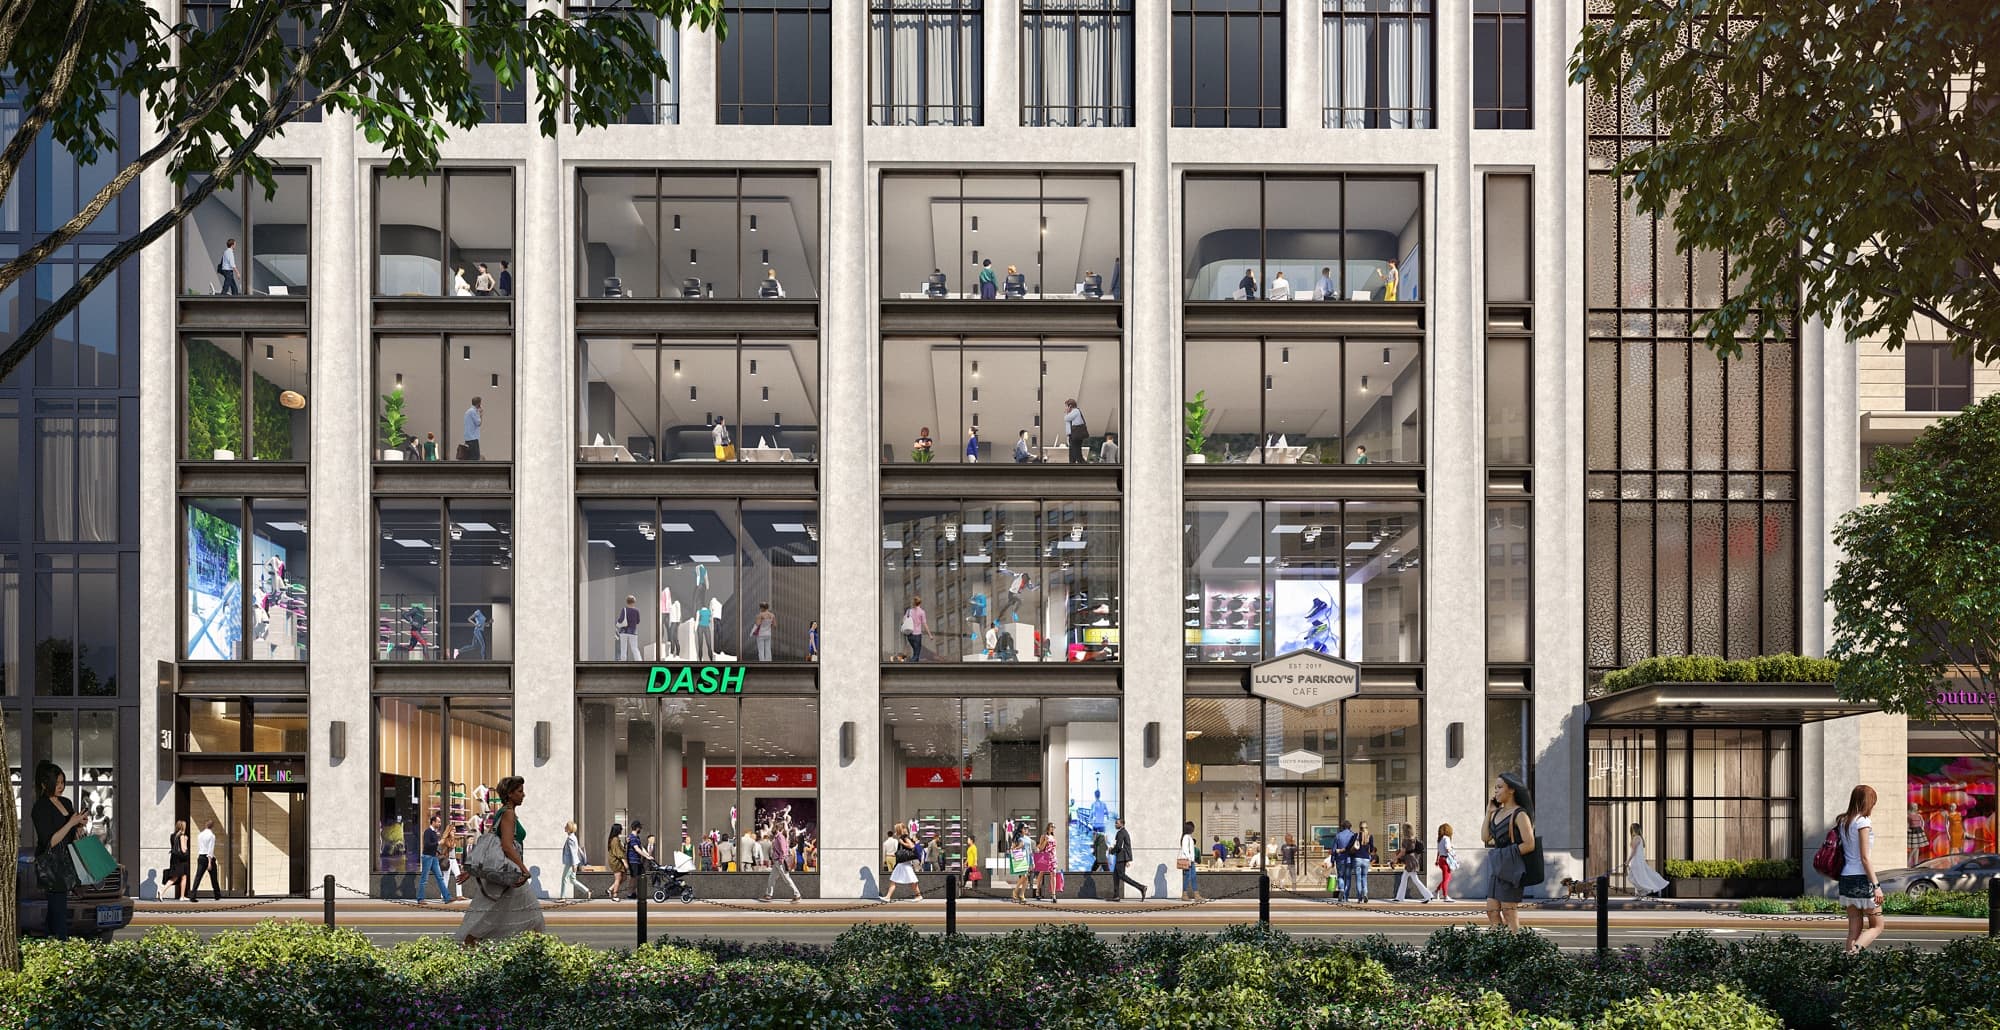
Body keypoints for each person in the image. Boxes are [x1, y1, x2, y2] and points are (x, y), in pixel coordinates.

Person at [457, 775, 543, 946]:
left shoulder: (501, 813)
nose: (523, 795)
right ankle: (470, 945)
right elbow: (506, 846)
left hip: (506, 873)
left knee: (508, 916)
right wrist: (523, 869)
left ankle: (532, 955)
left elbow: (488, 843)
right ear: (510, 794)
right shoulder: (508, 814)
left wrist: (473, 868)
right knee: (530, 919)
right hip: (509, 873)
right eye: (520, 791)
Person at [31, 763, 90, 936]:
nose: (60, 787)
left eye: (62, 782)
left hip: (68, 860)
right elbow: (48, 841)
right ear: (44, 784)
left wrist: (78, 825)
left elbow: (71, 835)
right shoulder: (40, 807)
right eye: (56, 783)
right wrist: (70, 822)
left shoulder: (66, 802)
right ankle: (59, 944)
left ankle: (48, 943)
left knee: (56, 911)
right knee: (58, 910)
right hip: (52, 865)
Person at [1482, 772, 1539, 929]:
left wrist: (1505, 854)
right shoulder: (1497, 813)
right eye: (1495, 788)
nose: (1496, 792)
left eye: (1500, 787)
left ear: (1512, 790)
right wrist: (1489, 812)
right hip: (1498, 868)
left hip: (1511, 868)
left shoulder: (1520, 814)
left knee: (1509, 913)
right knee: (1491, 911)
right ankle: (1498, 948)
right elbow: (1485, 837)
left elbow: (1529, 844)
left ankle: (1515, 950)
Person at [1837, 784, 1885, 953]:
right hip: (1861, 879)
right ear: (1867, 802)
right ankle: (1854, 953)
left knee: (1853, 930)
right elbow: (1865, 858)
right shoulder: (1862, 822)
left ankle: (1848, 966)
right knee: (1877, 926)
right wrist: (1876, 886)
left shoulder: (1843, 821)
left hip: (1846, 878)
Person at [761, 817, 803, 902]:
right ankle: (768, 895)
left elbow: (783, 850)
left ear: (777, 828)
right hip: (777, 861)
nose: (773, 828)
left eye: (774, 827)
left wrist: (780, 859)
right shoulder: (778, 837)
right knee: (772, 878)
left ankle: (797, 894)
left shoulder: (780, 837)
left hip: (780, 861)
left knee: (786, 878)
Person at [1628, 823, 1669, 899]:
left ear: (1634, 830)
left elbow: (1633, 851)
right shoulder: (1640, 838)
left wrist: (1628, 860)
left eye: (1632, 829)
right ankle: (1640, 894)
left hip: (1636, 861)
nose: (1631, 831)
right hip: (1639, 861)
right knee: (1638, 877)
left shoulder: (1636, 838)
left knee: (1632, 877)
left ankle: (1643, 891)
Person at [418, 814, 452, 904]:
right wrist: (438, 843)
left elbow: (431, 845)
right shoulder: (428, 832)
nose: (440, 823)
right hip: (427, 857)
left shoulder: (434, 832)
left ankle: (447, 897)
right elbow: (427, 844)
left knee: (440, 877)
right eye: (438, 822)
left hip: (433, 857)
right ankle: (420, 898)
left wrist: (437, 851)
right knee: (424, 879)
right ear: (433, 822)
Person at [885, 825, 923, 901]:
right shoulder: (903, 837)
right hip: (902, 863)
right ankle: (887, 897)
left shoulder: (904, 837)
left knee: (912, 881)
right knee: (894, 879)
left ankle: (918, 896)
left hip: (904, 863)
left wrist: (902, 842)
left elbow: (912, 846)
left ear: (899, 830)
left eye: (896, 829)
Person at [1111, 818, 1146, 900]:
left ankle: (1141, 887)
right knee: (1115, 876)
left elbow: (1119, 846)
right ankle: (1116, 896)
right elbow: (1127, 846)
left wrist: (1112, 851)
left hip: (1121, 857)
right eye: (1115, 823)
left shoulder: (1121, 833)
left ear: (1122, 824)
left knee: (1122, 876)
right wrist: (1127, 859)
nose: (1115, 824)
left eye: (1117, 823)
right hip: (1122, 857)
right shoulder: (1124, 832)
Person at [1393, 835, 1433, 902]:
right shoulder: (1413, 839)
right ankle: (1399, 897)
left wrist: (1395, 858)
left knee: (1415, 880)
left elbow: (1403, 853)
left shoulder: (1406, 840)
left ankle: (1428, 895)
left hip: (1410, 864)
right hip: (1411, 863)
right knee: (1404, 879)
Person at [561, 821, 593, 900]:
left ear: (569, 829)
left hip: (570, 863)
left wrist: (574, 864)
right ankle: (587, 891)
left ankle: (562, 897)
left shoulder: (570, 839)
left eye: (566, 826)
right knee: (573, 880)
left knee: (564, 879)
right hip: (572, 862)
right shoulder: (573, 837)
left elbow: (573, 852)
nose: (565, 827)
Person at [194, 817, 222, 901]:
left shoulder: (200, 835)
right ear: (212, 826)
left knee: (198, 877)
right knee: (214, 877)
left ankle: (192, 896)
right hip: (208, 858)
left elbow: (200, 847)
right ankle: (217, 895)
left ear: (205, 825)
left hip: (201, 857)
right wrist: (209, 862)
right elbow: (210, 850)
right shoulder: (212, 836)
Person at [625, 820, 654, 899]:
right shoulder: (632, 837)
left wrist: (648, 855)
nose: (641, 829)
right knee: (633, 877)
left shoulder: (637, 837)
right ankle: (630, 893)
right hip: (633, 860)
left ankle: (635, 892)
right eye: (640, 827)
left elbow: (641, 847)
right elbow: (637, 849)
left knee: (641, 875)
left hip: (638, 860)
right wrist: (647, 857)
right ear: (637, 828)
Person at [1349, 821, 1376, 902]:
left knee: (1358, 878)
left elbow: (1351, 846)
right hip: (1366, 859)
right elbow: (1372, 849)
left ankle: (1359, 897)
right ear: (1367, 827)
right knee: (1364, 877)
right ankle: (1365, 893)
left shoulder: (1356, 835)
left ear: (1359, 827)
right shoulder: (1370, 836)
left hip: (1357, 858)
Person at [167, 819, 191, 901]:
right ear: (183, 827)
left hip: (174, 858)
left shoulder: (172, 836)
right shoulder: (182, 836)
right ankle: (181, 896)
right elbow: (184, 849)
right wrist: (186, 841)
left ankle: (182, 896)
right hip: (182, 859)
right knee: (183, 877)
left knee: (177, 876)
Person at [1034, 822, 1058, 902]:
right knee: (1041, 874)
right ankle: (1037, 891)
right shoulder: (1044, 836)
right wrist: (1045, 841)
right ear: (1048, 827)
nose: (1053, 828)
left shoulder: (1053, 837)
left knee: (1053, 874)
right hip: (1044, 856)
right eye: (1052, 826)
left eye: (1054, 827)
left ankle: (1053, 894)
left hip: (1052, 857)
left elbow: (1054, 848)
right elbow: (1040, 848)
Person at [1435, 823, 1458, 902]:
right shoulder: (1446, 838)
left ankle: (1437, 890)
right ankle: (1445, 896)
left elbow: (1438, 851)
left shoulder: (1439, 839)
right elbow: (1448, 849)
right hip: (1446, 860)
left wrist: (1437, 860)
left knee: (1447, 878)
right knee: (1446, 879)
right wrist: (1452, 850)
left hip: (1441, 859)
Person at [605, 822, 627, 901]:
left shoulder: (616, 839)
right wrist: (624, 861)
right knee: (618, 878)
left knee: (624, 877)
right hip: (616, 861)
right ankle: (615, 895)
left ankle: (610, 889)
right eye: (621, 829)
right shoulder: (615, 839)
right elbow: (618, 852)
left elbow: (620, 849)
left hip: (616, 860)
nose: (621, 830)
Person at [900, 596, 927, 662]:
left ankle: (915, 669)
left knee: (915, 654)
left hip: (910, 635)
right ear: (920, 603)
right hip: (917, 635)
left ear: (913, 603)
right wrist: (930, 635)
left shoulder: (909, 611)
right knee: (916, 655)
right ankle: (909, 665)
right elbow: (924, 624)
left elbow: (902, 621)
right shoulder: (922, 612)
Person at [1179, 820, 1201, 899]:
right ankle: (1184, 894)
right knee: (1188, 877)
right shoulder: (1186, 837)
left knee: (1193, 877)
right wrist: (1189, 859)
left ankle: (1196, 894)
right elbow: (1185, 849)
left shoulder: (1188, 837)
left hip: (1191, 861)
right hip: (1188, 861)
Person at [462, 396, 483, 461]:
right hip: (473, 439)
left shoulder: (468, 411)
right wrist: (481, 414)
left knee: (469, 458)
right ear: (478, 404)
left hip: (468, 439)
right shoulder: (473, 412)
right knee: (475, 458)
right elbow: (478, 423)